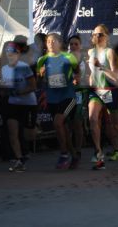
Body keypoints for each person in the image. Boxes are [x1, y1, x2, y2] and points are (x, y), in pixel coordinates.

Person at [36, 33, 80, 169]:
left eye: (53, 41)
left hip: (68, 97)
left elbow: (78, 72)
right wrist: (40, 75)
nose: (50, 43)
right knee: (63, 128)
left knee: (58, 122)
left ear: (60, 43)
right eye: (48, 41)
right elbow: (38, 81)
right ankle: (74, 155)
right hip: (52, 99)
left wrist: (76, 79)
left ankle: (64, 154)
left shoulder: (69, 57)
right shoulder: (42, 60)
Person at [87, 24, 118, 170]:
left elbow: (116, 77)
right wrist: (90, 79)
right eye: (95, 34)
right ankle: (99, 156)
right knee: (92, 119)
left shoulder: (110, 52)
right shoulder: (90, 52)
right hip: (96, 91)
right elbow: (92, 73)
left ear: (107, 37)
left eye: (100, 34)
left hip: (110, 90)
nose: (97, 37)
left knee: (116, 125)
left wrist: (101, 67)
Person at [0, 42, 37, 172]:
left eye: (13, 53)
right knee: (12, 131)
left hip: (28, 103)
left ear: (18, 55)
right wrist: (3, 91)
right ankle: (19, 160)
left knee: (29, 135)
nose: (10, 55)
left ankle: (36, 127)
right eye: (8, 53)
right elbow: (3, 88)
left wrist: (19, 92)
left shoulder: (24, 67)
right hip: (13, 104)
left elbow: (33, 86)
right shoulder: (4, 69)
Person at [67, 35, 88, 169]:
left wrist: (78, 79)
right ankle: (69, 151)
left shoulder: (83, 60)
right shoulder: (65, 58)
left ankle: (78, 150)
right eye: (71, 44)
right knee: (67, 124)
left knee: (77, 122)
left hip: (79, 93)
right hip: (66, 94)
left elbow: (82, 77)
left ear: (80, 46)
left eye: (76, 44)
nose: (73, 46)